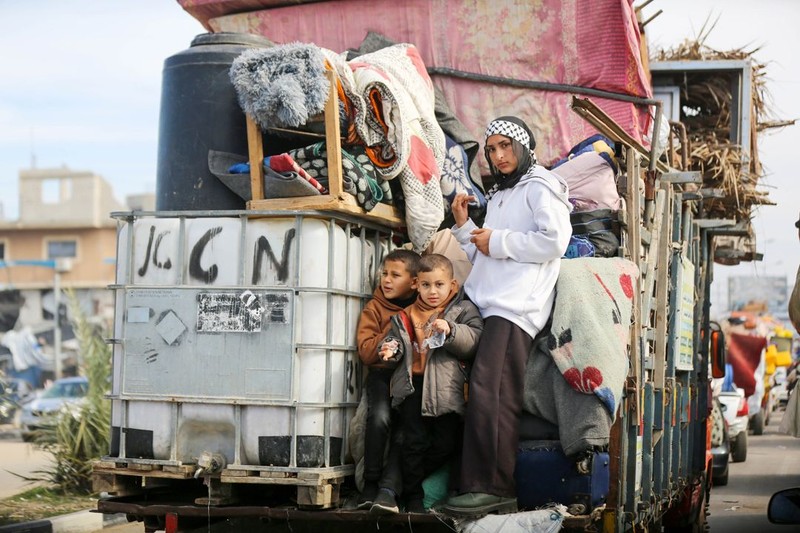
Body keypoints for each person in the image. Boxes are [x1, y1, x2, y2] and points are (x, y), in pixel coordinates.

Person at [441, 116, 572, 518]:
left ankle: (494, 487)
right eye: (492, 149)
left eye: (505, 147)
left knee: (493, 391)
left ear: (524, 146)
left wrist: (495, 239)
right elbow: (489, 252)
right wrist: (466, 229)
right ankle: (476, 482)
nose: (498, 156)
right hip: (490, 302)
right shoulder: (500, 194)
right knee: (479, 391)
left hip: (516, 307)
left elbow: (554, 241)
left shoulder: (540, 186)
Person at [372, 253, 483, 514]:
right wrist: (389, 350)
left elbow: (475, 340)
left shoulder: (462, 310)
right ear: (416, 285)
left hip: (446, 390)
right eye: (426, 285)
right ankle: (413, 498)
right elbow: (396, 344)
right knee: (413, 443)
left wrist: (451, 330)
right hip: (413, 387)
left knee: (446, 444)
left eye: (439, 285)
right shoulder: (405, 315)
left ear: (452, 286)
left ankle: (404, 483)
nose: (432, 292)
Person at [355, 249, 420, 510]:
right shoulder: (375, 308)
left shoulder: (422, 306)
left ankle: (391, 489)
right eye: (384, 274)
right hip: (382, 375)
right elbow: (367, 352)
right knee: (379, 418)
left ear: (414, 282)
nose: (387, 280)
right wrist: (395, 325)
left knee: (406, 429)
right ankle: (370, 484)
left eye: (395, 275)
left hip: (410, 377)